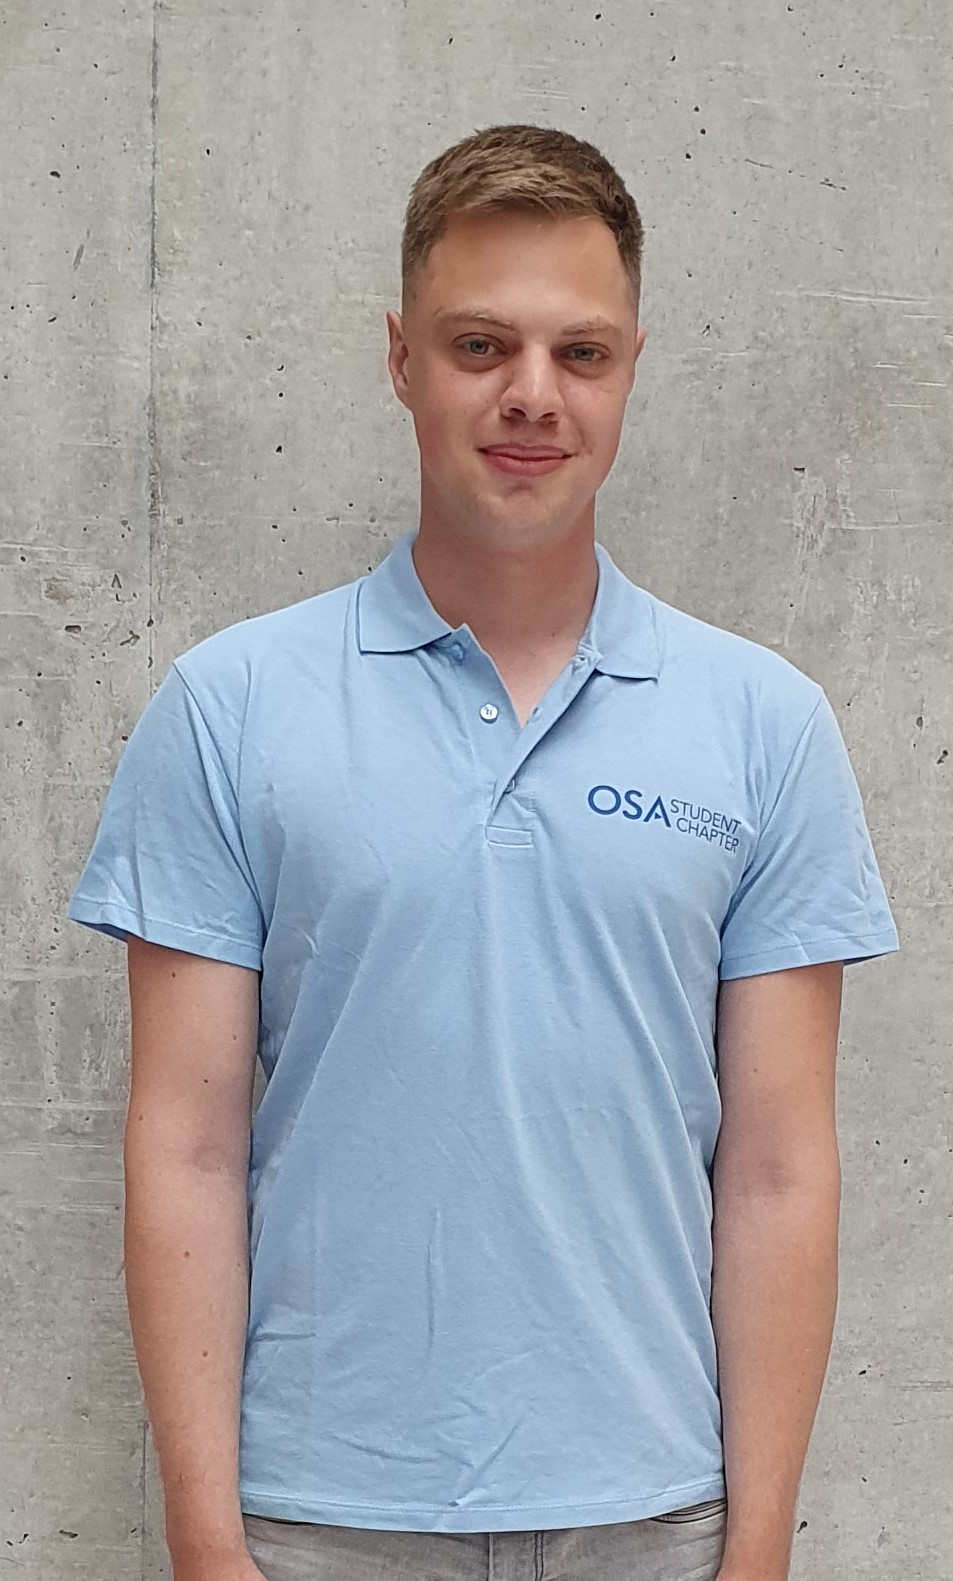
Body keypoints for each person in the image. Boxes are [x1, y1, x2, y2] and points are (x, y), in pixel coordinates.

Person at [67, 124, 900, 1581]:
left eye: (580, 353)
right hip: (316, 1519)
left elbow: (775, 1167)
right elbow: (185, 1146)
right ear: (400, 359)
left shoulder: (763, 725)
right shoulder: (232, 705)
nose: (530, 396)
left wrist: (757, 1544)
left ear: (632, 362)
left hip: (656, 1518)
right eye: (479, 344)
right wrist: (207, 1542)